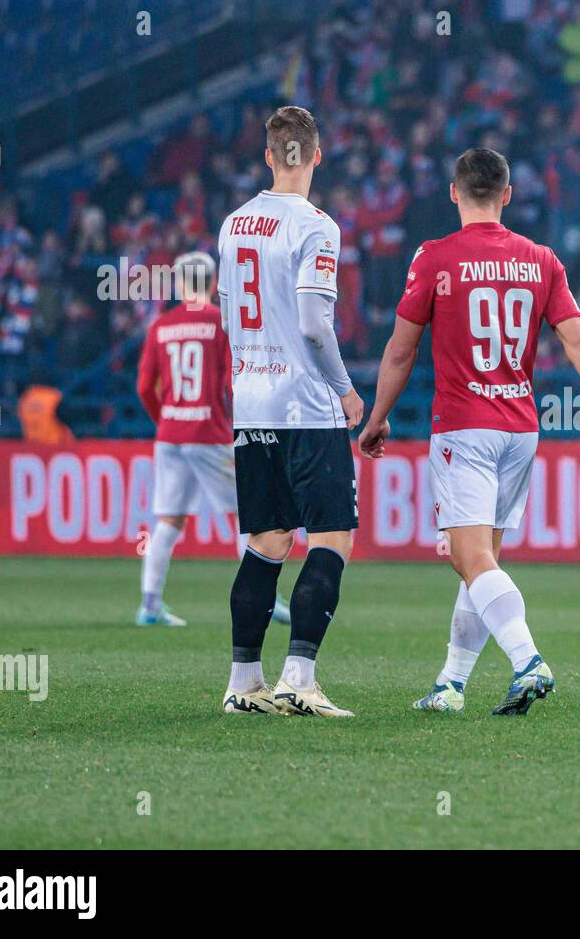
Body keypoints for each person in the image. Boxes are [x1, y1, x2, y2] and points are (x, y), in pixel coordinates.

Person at [358, 147, 580, 715]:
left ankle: (528, 660)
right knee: (480, 559)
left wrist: (376, 417)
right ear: (508, 195)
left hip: (465, 427)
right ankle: (451, 684)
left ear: (453, 192)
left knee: (469, 558)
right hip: (519, 429)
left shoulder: (435, 258)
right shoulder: (540, 259)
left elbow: (400, 349)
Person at [216, 106, 366, 716]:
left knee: (267, 541)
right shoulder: (317, 227)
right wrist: (346, 388)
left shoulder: (233, 225)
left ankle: (242, 683)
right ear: (318, 155)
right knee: (331, 537)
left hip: (252, 402)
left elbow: (229, 315)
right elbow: (312, 321)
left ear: (271, 157)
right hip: (306, 404)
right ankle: (298, 679)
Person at [134, 250, 290, 628]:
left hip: (170, 435)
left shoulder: (161, 326)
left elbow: (143, 387)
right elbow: (230, 384)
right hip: (208, 433)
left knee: (168, 521)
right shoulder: (220, 322)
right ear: (211, 283)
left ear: (180, 283)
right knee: (247, 516)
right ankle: (264, 598)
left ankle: (149, 605)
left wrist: (166, 419)